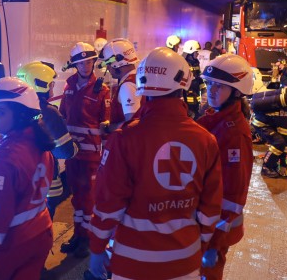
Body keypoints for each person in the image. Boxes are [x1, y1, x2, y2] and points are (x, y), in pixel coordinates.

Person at [87, 47, 223, 280]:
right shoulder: (205, 140)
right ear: (183, 83)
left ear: (143, 86)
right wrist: (201, 243)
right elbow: (210, 208)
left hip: (132, 264)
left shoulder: (124, 139)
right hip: (185, 263)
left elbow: (107, 205)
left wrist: (97, 250)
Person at [0, 77, 54, 280]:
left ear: (21, 114)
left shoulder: (4, 161)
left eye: (1, 112)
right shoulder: (40, 144)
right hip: (40, 234)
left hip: (11, 246)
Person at [196, 54, 254, 280]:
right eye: (209, 83)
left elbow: (234, 194)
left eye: (219, 86)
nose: (211, 90)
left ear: (237, 92)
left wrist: (215, 241)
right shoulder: (216, 118)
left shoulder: (233, 134)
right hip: (206, 223)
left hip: (216, 229)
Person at [59, 42, 111, 258]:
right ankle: (79, 235)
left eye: (89, 61)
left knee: (89, 198)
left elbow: (105, 125)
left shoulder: (102, 89)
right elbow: (62, 116)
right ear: (75, 65)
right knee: (77, 197)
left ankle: (89, 239)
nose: (86, 66)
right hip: (72, 154)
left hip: (91, 156)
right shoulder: (68, 87)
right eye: (81, 63)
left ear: (94, 62)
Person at [17, 61, 78, 218]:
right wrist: (76, 147)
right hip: (46, 185)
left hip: (23, 182)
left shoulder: (17, 112)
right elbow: (65, 151)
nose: (52, 88)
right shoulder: (49, 113)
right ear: (40, 84)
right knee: (42, 229)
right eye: (50, 84)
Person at [98, 38, 143, 134]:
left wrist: (107, 128)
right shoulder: (138, 79)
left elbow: (132, 124)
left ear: (116, 62)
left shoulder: (127, 86)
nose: (108, 69)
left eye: (108, 64)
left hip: (127, 146)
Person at [182, 40, 207, 118]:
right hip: (188, 93)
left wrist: (203, 88)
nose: (198, 53)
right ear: (190, 51)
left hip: (195, 92)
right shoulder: (184, 63)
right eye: (196, 52)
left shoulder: (196, 62)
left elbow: (198, 76)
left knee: (196, 112)